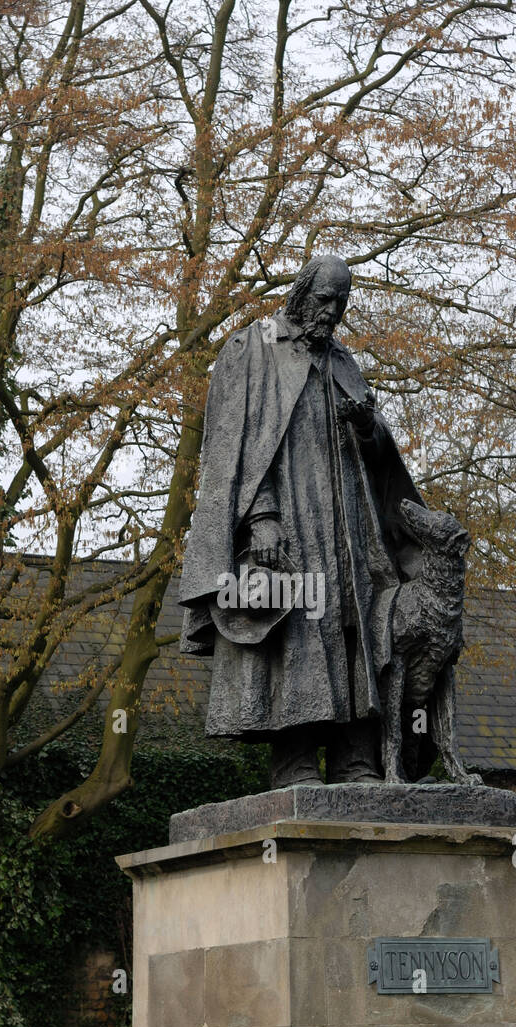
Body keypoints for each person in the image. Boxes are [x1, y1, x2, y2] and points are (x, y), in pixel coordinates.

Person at [179, 254, 426, 788]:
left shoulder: (342, 361)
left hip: (349, 521)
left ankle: (355, 757)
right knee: (298, 628)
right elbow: (233, 445)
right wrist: (261, 514)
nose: (332, 311)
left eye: (342, 302)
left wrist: (368, 428)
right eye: (324, 299)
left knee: (355, 625)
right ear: (300, 293)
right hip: (290, 516)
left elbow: (380, 453)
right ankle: (293, 761)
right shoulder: (254, 348)